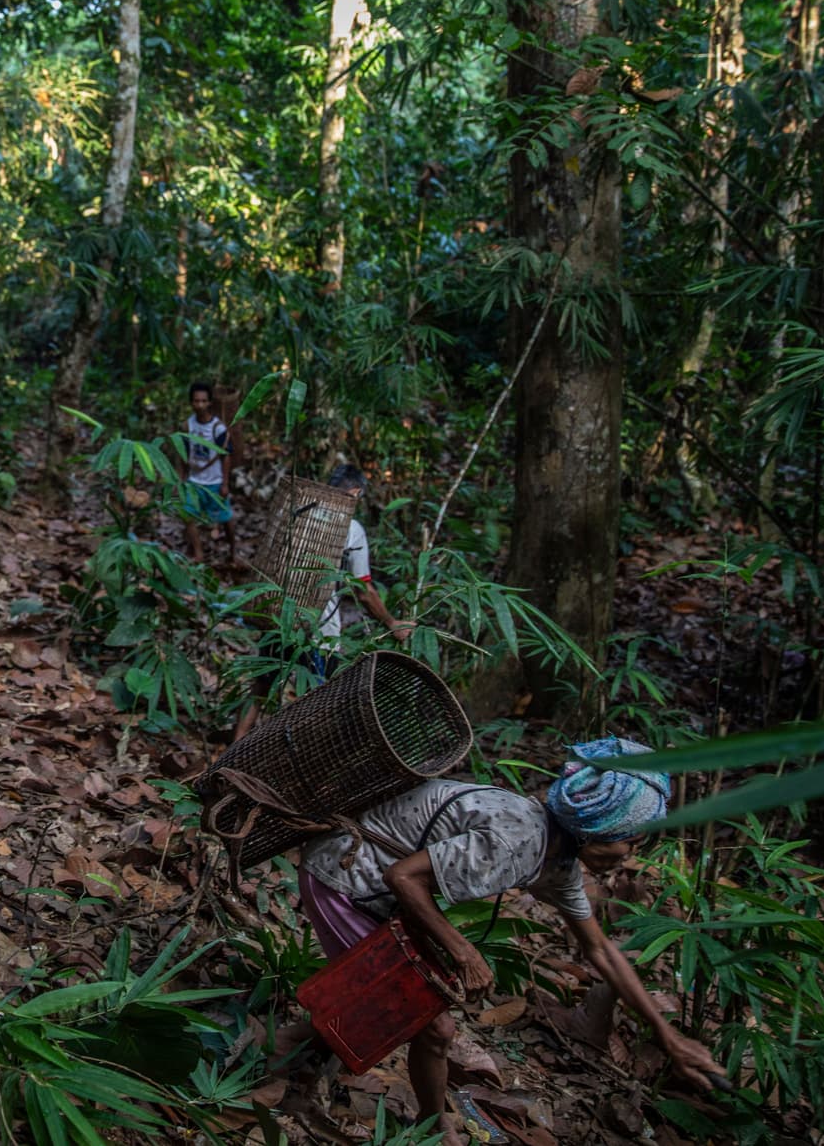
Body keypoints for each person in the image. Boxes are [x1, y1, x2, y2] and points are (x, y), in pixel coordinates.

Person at [290, 739, 723, 1143]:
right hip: (345, 876)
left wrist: (669, 1037)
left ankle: (423, 1115)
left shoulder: (556, 859)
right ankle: (409, 1113)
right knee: (432, 1025)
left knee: (420, 1019)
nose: (630, 855)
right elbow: (401, 876)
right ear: (598, 830)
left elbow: (600, 950)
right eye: (630, 841)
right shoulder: (518, 841)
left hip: (376, 889)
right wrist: (464, 952)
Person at [313, 463, 411, 676]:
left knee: (261, 690)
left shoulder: (301, 511)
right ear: (356, 492)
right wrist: (391, 622)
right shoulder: (352, 529)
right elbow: (363, 591)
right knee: (313, 697)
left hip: (278, 618)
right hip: (318, 633)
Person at [178, 382, 236, 564]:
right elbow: (182, 454)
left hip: (214, 482)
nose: (200, 405)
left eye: (203, 401)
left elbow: (226, 456)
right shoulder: (187, 426)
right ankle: (198, 553)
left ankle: (233, 550)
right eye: (196, 401)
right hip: (194, 481)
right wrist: (180, 480)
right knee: (187, 516)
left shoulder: (218, 428)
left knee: (225, 519)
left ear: (210, 402)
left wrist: (225, 483)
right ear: (191, 403)